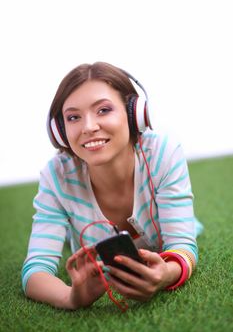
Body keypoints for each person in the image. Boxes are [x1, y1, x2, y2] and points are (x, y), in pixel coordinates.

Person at [22, 61, 202, 310]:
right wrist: (71, 297)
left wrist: (167, 274)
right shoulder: (57, 175)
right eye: (73, 117)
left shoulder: (162, 152)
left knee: (192, 227)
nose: (88, 127)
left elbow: (182, 246)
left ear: (134, 114)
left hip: (172, 230)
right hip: (88, 244)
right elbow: (35, 270)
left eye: (104, 110)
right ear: (60, 131)